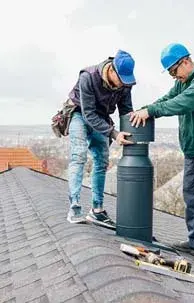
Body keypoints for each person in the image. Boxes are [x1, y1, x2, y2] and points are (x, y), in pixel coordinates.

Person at [130, 43, 194, 268]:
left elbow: (181, 104)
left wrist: (151, 111)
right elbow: (166, 99)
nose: (173, 77)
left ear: (185, 62)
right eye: (171, 74)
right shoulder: (183, 82)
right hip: (192, 151)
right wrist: (142, 110)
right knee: (192, 198)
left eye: (174, 71)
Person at [66, 49, 135, 228]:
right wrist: (113, 133)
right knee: (79, 156)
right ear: (111, 71)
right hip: (79, 113)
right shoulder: (88, 76)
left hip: (101, 117)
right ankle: (74, 207)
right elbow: (88, 114)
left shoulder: (125, 84)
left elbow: (126, 111)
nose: (123, 85)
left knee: (102, 160)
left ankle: (97, 210)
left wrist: (134, 126)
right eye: (121, 79)